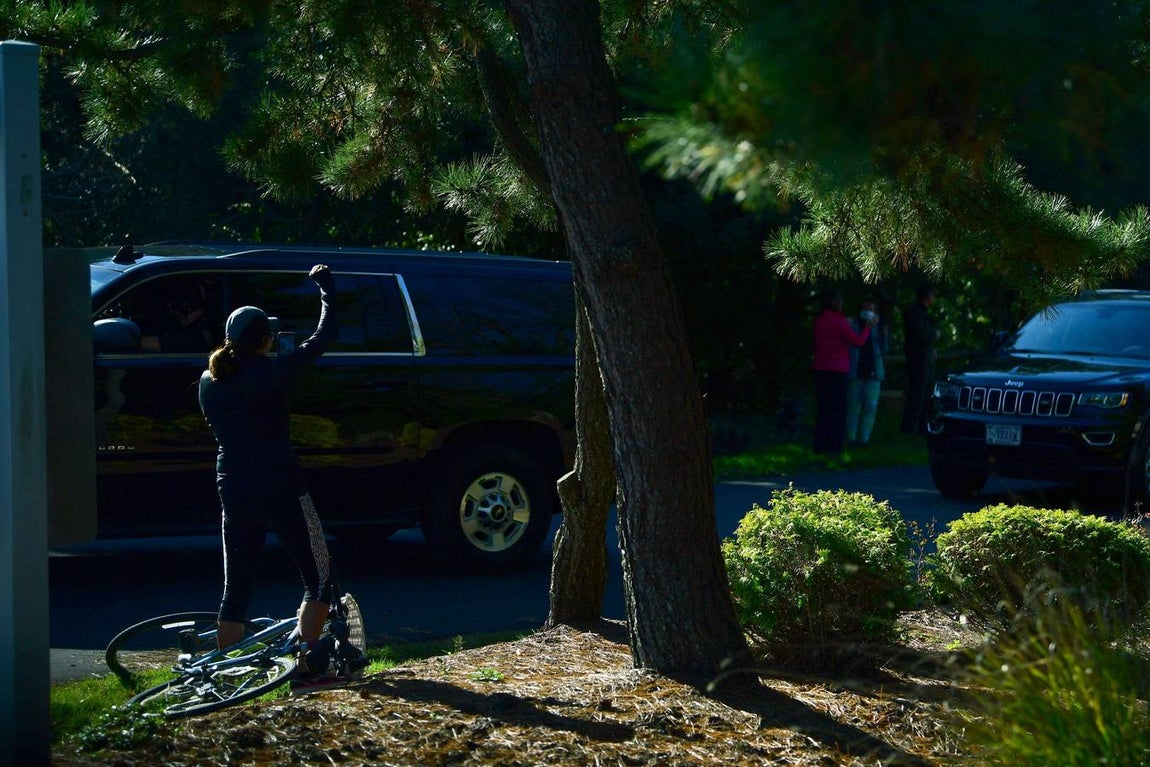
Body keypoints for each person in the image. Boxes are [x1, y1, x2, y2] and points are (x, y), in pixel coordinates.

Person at [198, 264, 342, 687]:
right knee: (319, 575)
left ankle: (225, 677)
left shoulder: (208, 380)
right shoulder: (277, 371)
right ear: (266, 339)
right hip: (282, 483)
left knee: (237, 584)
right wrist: (326, 289)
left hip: (234, 484)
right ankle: (304, 668)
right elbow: (324, 336)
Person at [812, 289, 874, 455]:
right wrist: (867, 328)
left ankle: (819, 445)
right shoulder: (839, 322)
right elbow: (858, 341)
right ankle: (834, 446)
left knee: (823, 409)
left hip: (820, 368)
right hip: (837, 370)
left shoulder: (819, 320)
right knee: (837, 410)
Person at [846, 298, 888, 445]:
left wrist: (883, 333)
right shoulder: (853, 325)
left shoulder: (879, 328)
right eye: (865, 308)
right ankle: (850, 438)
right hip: (855, 372)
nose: (867, 312)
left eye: (871, 309)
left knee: (870, 407)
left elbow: (885, 349)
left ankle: (864, 439)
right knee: (852, 407)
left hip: (874, 373)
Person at [901, 285, 940, 434]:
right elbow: (920, 335)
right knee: (917, 394)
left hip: (923, 358)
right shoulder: (916, 313)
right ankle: (910, 427)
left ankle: (921, 426)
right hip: (918, 361)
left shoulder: (919, 313)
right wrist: (934, 334)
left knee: (923, 395)